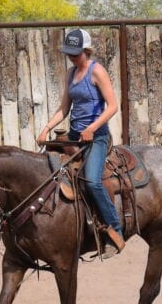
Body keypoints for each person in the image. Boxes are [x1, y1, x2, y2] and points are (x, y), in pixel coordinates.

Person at [36, 28, 125, 254]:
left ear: (86, 50)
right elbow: (65, 108)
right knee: (45, 165)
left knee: (92, 181)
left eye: (75, 53)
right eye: (69, 53)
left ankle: (115, 229)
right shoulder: (70, 74)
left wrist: (93, 128)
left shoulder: (97, 72)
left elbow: (113, 105)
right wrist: (47, 128)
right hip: (76, 134)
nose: (72, 57)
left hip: (97, 136)